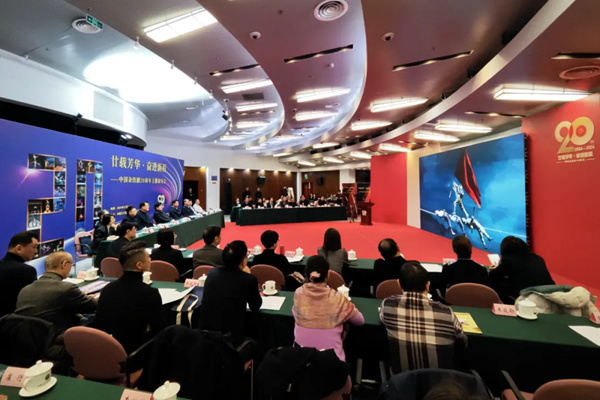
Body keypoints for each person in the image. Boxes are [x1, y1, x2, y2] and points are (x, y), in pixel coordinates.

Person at [380, 261, 467, 373]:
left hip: (401, 380)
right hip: (441, 382)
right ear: (428, 285)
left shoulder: (388, 305)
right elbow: (462, 342)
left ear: (399, 284)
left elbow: (382, 320)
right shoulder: (446, 313)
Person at [94, 241, 162, 353]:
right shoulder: (150, 293)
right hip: (135, 351)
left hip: (106, 347)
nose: (150, 259)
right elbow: (158, 329)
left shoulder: (107, 289)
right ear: (139, 265)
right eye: (148, 257)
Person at [293, 255, 364, 361]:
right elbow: (360, 320)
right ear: (327, 275)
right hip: (332, 364)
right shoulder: (337, 298)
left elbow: (295, 313)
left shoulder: (299, 293)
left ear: (306, 275)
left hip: (300, 362)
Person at [197, 240, 262, 346]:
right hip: (229, 340)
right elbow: (255, 306)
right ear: (244, 261)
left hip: (205, 335)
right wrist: (248, 274)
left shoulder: (212, 273)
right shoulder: (248, 279)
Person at [15, 251, 97, 330]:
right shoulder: (67, 288)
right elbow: (93, 305)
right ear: (64, 264)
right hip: (56, 335)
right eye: (71, 265)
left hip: (28, 336)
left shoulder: (24, 290)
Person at [489, 236, 554, 304]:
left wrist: (494, 269)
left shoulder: (509, 261)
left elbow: (493, 275)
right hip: (550, 293)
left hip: (530, 297)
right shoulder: (537, 258)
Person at [0, 231, 39, 318]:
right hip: (15, 321)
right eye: (34, 247)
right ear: (19, 249)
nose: (36, 251)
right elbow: (33, 301)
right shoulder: (27, 271)